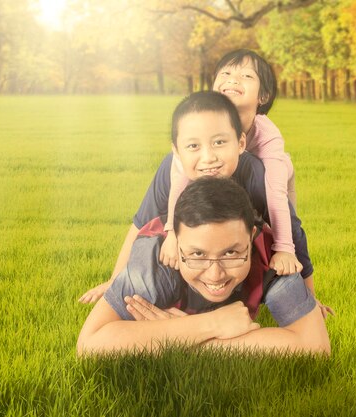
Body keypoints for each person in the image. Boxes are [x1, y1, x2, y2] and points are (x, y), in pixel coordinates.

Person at [79, 91, 330, 318]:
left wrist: (309, 295)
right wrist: (115, 281)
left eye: (219, 142)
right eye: (193, 146)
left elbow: (291, 228)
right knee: (155, 258)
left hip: (236, 253)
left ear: (240, 143)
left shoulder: (255, 173)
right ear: (177, 151)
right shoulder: (171, 170)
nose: (208, 157)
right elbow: (140, 222)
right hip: (184, 252)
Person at [77, 177, 330, 355]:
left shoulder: (272, 258)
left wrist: (187, 339)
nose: (215, 274)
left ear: (252, 237)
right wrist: (213, 324)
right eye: (197, 254)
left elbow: (315, 347)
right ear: (176, 246)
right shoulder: (156, 265)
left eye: (231, 252)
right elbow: (90, 344)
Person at [161, 49, 299, 276]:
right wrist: (172, 233)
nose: (233, 79)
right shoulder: (197, 127)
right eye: (225, 73)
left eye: (246, 76)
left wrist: (284, 248)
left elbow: (275, 194)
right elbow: (180, 180)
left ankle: (306, 294)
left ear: (263, 96)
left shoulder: (268, 137)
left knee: (288, 224)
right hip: (229, 173)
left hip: (276, 179)